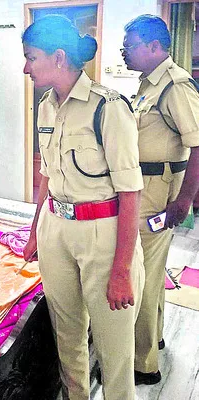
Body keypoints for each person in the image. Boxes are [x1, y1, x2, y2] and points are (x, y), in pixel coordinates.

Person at [22, 15, 145, 400]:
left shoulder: (108, 107)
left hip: (102, 237)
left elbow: (130, 193)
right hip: (56, 230)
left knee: (114, 348)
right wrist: (35, 232)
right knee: (67, 335)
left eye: (31, 57)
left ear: (58, 57)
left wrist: (121, 270)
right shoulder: (45, 106)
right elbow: (47, 176)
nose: (25, 68)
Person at [122, 15, 199, 385]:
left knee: (141, 276)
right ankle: (155, 339)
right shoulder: (147, 84)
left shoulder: (175, 85)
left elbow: (197, 143)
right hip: (145, 188)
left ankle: (143, 364)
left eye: (130, 46)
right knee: (151, 272)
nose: (124, 52)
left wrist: (184, 200)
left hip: (157, 193)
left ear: (154, 46)